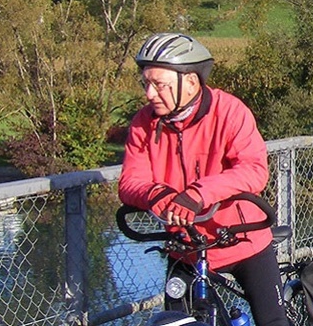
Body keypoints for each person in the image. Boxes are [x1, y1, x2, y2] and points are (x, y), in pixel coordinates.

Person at [118, 33, 291, 326]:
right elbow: (130, 181)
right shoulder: (143, 123)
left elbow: (253, 169)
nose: (149, 93)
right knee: (176, 322)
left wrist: (199, 193)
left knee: (272, 321)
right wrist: (156, 195)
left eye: (159, 85)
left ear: (191, 81)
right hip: (185, 247)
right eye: (145, 83)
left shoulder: (230, 112)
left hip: (242, 239)